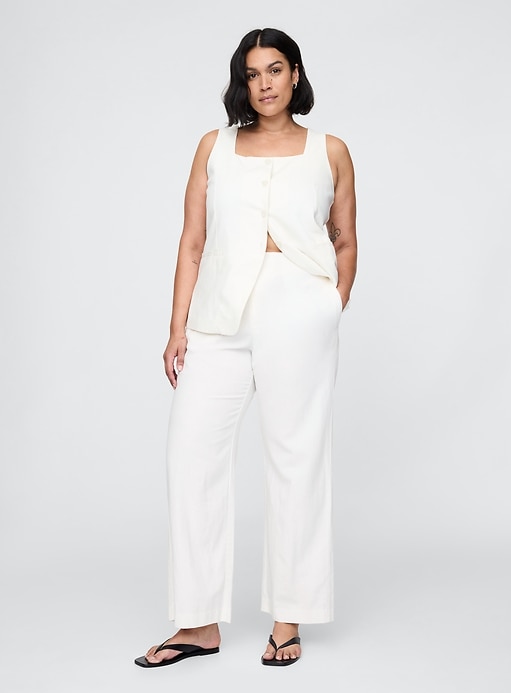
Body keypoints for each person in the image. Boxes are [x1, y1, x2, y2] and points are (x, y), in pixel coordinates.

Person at [134, 26, 357, 668]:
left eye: (275, 69)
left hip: (299, 307)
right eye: (252, 73)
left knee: (295, 456)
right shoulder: (215, 147)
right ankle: (197, 623)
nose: (264, 84)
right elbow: (192, 242)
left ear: (296, 74)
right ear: (242, 82)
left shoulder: (330, 150)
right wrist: (177, 328)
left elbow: (345, 238)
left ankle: (288, 619)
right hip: (219, 314)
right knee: (191, 454)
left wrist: (329, 304)